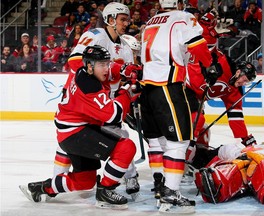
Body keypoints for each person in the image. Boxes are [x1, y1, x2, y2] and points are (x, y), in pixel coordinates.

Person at [20, 45, 137, 210]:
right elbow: (114, 115)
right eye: (102, 64)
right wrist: (127, 92)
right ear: (90, 66)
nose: (107, 68)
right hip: (77, 134)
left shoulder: (85, 72)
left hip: (72, 133)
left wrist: (123, 69)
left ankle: (41, 188)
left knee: (85, 181)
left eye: (107, 63)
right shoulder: (89, 86)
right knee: (126, 147)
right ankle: (105, 191)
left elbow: (110, 71)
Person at [139, 0, 222, 213]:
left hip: (147, 88)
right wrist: (210, 65)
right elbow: (196, 43)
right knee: (179, 141)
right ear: (178, 2)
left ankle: (160, 185)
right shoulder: (182, 17)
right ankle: (170, 194)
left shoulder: (150, 20)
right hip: (167, 85)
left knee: (158, 141)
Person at [53, 2, 142, 198]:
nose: (127, 23)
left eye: (128, 19)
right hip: (87, 100)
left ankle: (130, 175)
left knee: (121, 137)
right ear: (110, 19)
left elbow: (125, 77)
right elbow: (76, 62)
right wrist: (116, 70)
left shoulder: (126, 47)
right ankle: (56, 179)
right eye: (123, 19)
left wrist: (128, 86)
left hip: (106, 101)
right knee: (71, 140)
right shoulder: (94, 36)